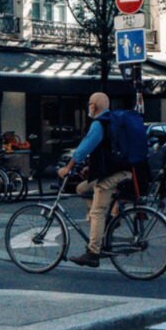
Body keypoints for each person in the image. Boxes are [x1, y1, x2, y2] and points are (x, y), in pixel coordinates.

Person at [57, 92, 133, 268]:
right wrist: (90, 168)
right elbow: (109, 150)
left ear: (94, 106)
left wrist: (68, 168)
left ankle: (93, 252)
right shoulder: (113, 121)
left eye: (90, 103)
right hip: (124, 171)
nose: (88, 106)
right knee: (83, 188)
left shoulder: (99, 124)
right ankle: (105, 221)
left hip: (114, 175)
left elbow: (84, 148)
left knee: (97, 211)